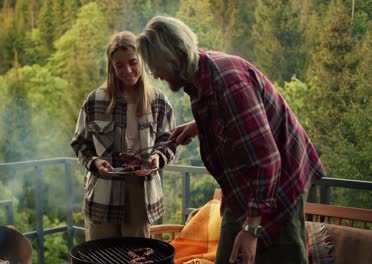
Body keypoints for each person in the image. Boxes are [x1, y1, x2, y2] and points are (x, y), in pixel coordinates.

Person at [137, 16, 326, 264]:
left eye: (156, 67)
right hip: (241, 192)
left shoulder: (229, 83)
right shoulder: (201, 75)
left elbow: (267, 161)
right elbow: (235, 121)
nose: (156, 75)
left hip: (280, 187)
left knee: (282, 256)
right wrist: (199, 126)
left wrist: (251, 230)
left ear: (176, 57)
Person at [71, 31, 176, 241]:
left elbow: (169, 140)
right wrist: (95, 162)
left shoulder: (158, 101)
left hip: (141, 194)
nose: (127, 70)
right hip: (103, 194)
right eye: (119, 65)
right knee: (100, 256)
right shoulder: (94, 101)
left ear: (142, 59)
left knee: (136, 256)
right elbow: (80, 143)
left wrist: (158, 157)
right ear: (112, 67)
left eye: (133, 62)